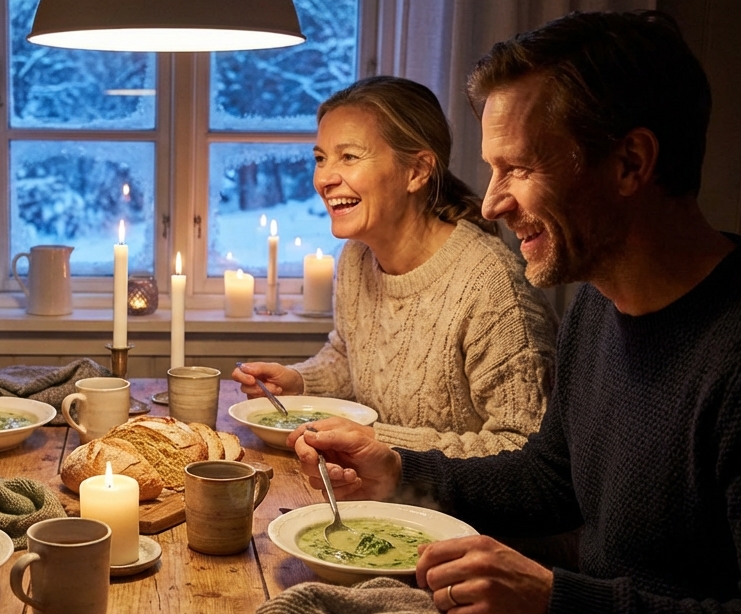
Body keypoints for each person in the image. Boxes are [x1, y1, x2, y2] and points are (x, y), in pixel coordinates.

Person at [289, 11, 741, 614]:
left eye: (521, 168)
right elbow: (551, 478)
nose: (494, 202)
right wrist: (399, 471)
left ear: (632, 163)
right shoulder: (600, 306)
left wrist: (556, 601)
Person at [233, 76, 556, 458]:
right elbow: (350, 355)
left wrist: (378, 441)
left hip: (461, 516)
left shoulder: (492, 287)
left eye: (349, 157)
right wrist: (300, 382)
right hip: (380, 499)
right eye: (320, 158)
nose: (324, 178)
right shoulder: (357, 257)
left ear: (417, 171)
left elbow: (523, 449)